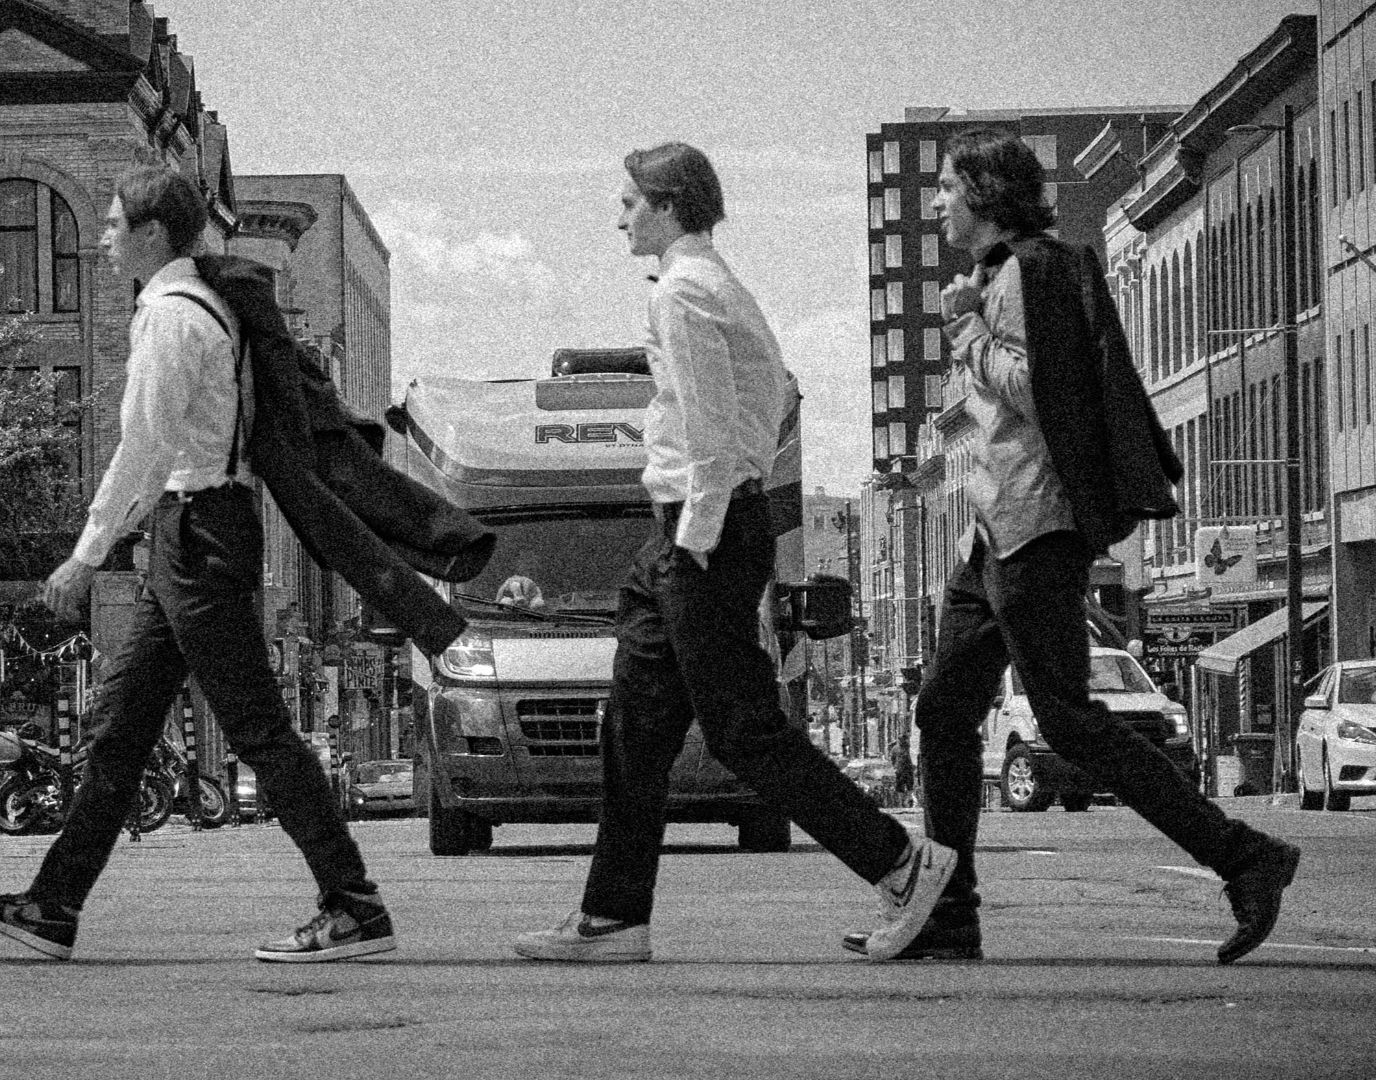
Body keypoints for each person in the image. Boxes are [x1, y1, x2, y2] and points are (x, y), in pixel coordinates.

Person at [850, 130, 1300, 964]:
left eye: (946, 189)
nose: (937, 204)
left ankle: (1248, 856)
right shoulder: (998, 277)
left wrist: (966, 334)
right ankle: (949, 917)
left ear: (983, 196)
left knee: (1070, 721)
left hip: (1035, 531)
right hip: (990, 539)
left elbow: (1039, 386)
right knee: (943, 711)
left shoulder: (1022, 274)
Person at [515, 142, 956, 964]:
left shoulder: (684, 294)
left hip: (701, 531)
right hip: (687, 532)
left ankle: (901, 863)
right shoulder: (716, 287)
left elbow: (713, 438)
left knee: (743, 731)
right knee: (636, 730)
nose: (619, 215)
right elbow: (776, 396)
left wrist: (692, 548)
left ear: (669, 204)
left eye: (629, 201)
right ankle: (612, 918)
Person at [0, 166, 393, 963]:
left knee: (258, 728)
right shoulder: (199, 305)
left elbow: (145, 449)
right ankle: (53, 905)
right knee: (119, 731)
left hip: (199, 529)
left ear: (154, 232)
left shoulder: (170, 316)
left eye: (115, 222)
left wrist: (85, 555)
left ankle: (353, 903)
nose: (102, 236)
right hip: (190, 531)